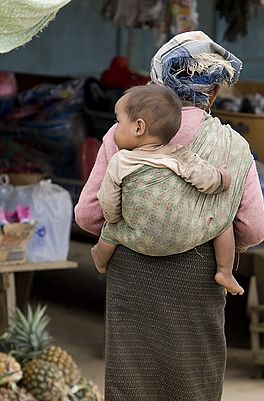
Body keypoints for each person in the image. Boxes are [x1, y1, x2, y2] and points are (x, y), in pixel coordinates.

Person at [75, 31, 264, 401]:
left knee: (135, 392)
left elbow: (90, 217)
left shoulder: (128, 134)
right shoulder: (232, 145)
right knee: (192, 390)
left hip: (133, 279)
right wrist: (203, 224)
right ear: (210, 87)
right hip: (200, 281)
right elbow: (253, 226)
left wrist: (139, 224)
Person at [91, 84, 244, 295]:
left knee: (111, 231)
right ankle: (225, 271)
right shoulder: (178, 154)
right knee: (222, 221)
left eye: (118, 121)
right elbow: (207, 181)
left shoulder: (121, 161)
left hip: (138, 238)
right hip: (185, 237)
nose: (115, 128)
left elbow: (108, 202)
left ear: (138, 127)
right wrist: (222, 177)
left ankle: (99, 261)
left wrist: (116, 219)